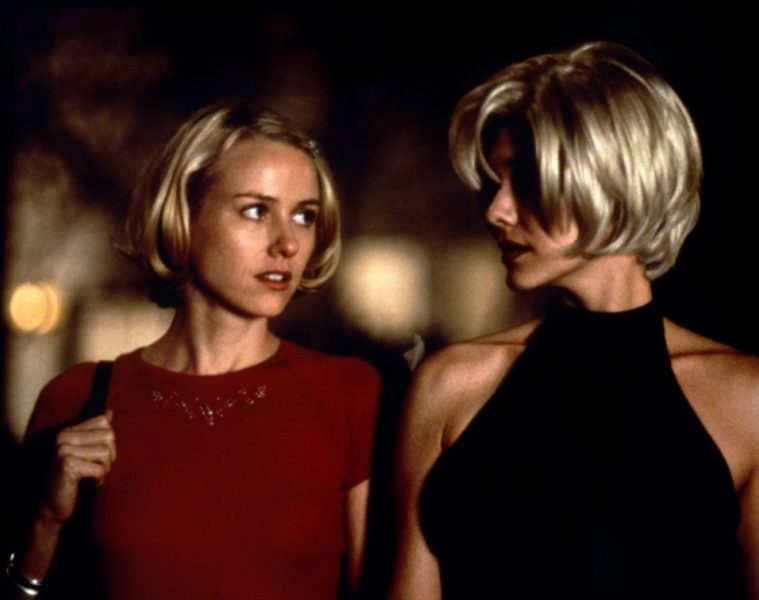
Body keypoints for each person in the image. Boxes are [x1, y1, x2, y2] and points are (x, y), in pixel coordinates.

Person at [390, 41, 759, 599]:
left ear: (613, 181)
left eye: (527, 179)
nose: (496, 211)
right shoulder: (449, 385)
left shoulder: (743, 397)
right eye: (493, 183)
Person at [5, 102, 380, 599]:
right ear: (184, 214)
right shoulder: (75, 401)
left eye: (304, 216)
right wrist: (46, 521)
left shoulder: (348, 393)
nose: (288, 244)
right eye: (256, 210)